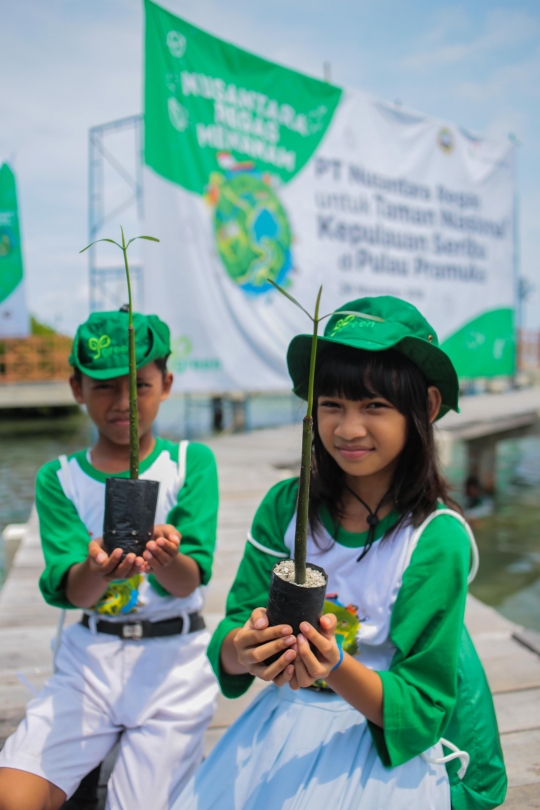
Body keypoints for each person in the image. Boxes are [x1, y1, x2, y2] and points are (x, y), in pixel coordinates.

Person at [174, 297, 507, 810]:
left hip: (381, 738)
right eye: (331, 405)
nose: (349, 429)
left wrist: (332, 666)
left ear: (428, 407)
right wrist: (246, 647)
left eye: (374, 406)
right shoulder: (287, 506)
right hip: (282, 717)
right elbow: (234, 631)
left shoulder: (437, 539)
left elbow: (421, 707)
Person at [0, 310, 219, 810]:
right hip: (89, 659)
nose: (124, 404)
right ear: (76, 388)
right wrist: (96, 570)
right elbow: (75, 592)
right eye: (103, 387)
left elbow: (187, 583)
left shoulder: (191, 463)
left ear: (165, 384)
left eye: (139, 385)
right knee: (14, 796)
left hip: (175, 663)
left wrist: (166, 557)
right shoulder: (58, 478)